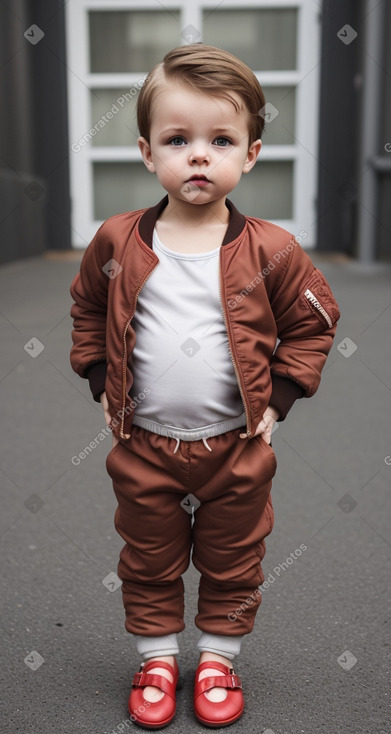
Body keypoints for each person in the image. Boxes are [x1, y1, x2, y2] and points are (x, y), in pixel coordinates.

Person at [69, 43, 340, 729]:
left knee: (233, 557)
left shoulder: (272, 251)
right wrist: (100, 378)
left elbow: (313, 324)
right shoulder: (116, 241)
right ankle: (157, 659)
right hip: (144, 444)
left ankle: (217, 658)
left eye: (219, 140)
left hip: (235, 447)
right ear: (145, 151)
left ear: (249, 155)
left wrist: (280, 397)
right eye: (177, 139)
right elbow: (88, 311)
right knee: (149, 557)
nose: (197, 155)